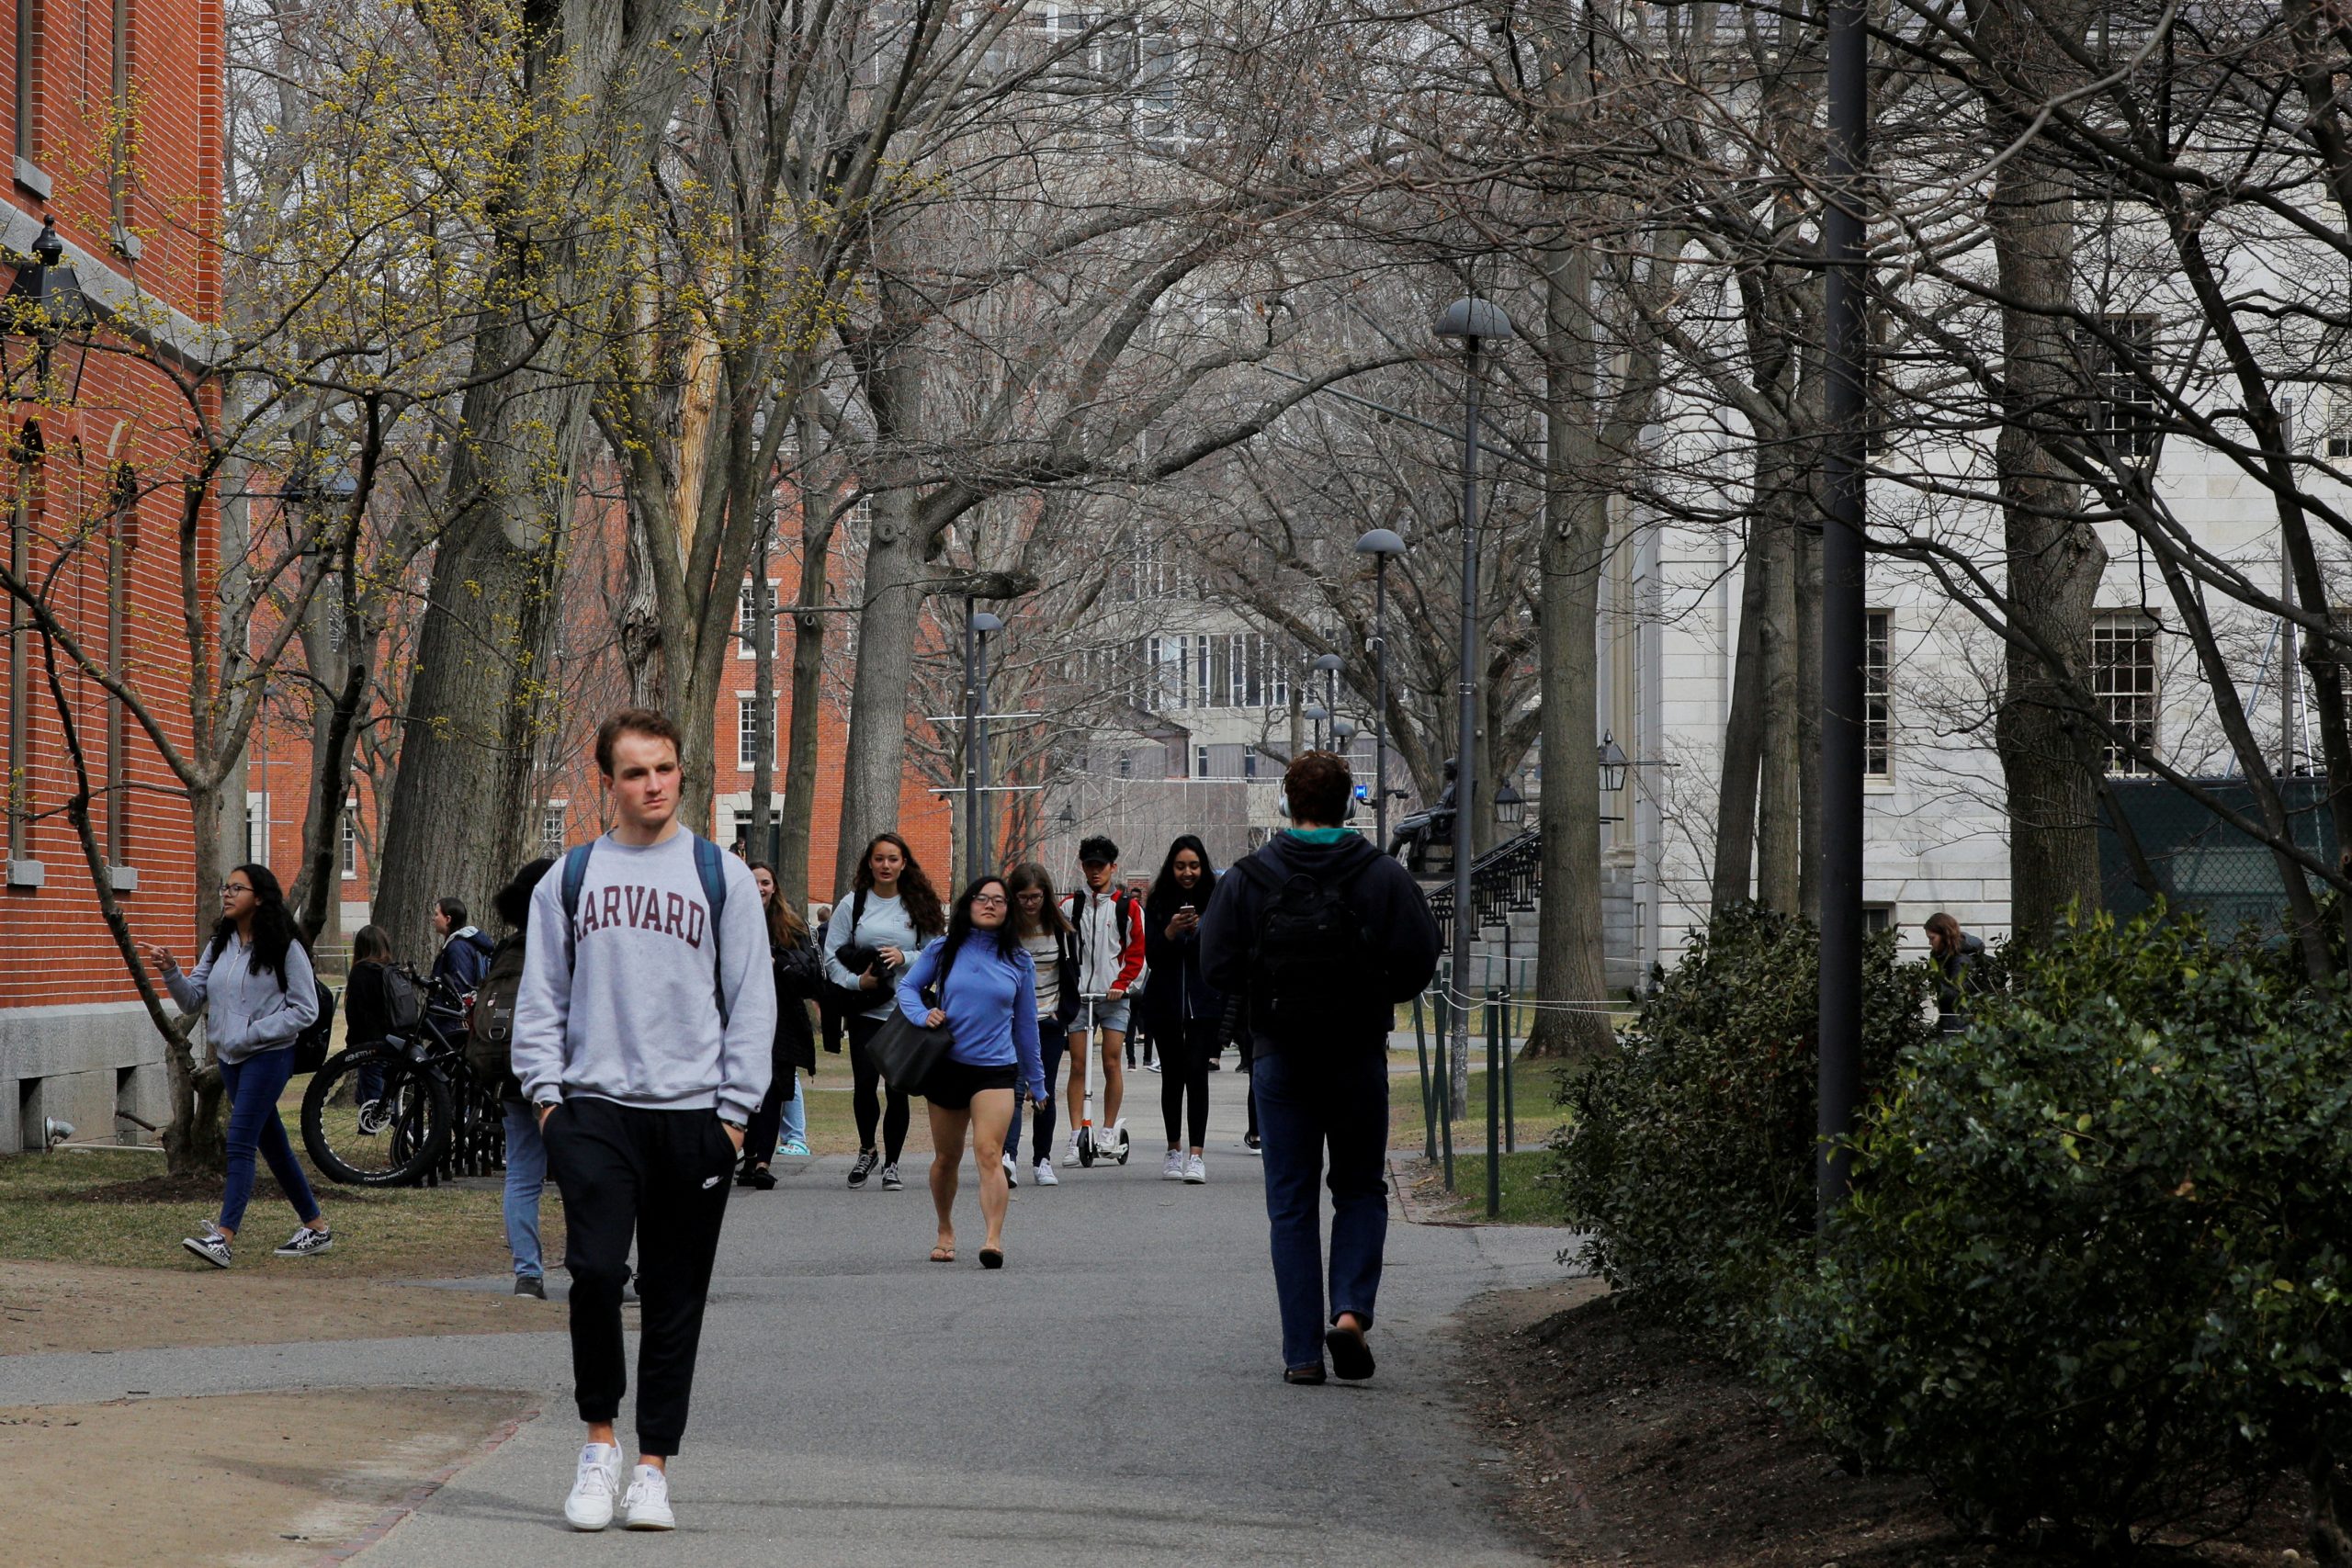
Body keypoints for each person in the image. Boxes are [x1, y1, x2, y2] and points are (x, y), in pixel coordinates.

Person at [513, 707, 775, 1532]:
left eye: (663, 769)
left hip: (695, 1115)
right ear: (610, 781)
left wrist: (734, 1117)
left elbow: (752, 999)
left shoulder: (718, 874)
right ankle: (598, 1444)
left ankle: (653, 1463)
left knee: (673, 1292)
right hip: (593, 1111)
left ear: (680, 775)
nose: (651, 785)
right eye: (634, 772)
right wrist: (548, 1101)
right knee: (593, 1273)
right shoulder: (571, 877)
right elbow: (541, 995)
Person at [1201, 750, 1441, 1386]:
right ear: (1350, 805)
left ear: (1285, 803)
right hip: (1357, 1052)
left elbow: (1216, 964)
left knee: (1291, 1203)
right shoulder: (1382, 874)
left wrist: (1264, 988)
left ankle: (1301, 1352)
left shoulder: (1250, 876)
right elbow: (1420, 957)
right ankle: (1352, 1311)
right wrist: (1370, 988)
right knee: (1360, 1188)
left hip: (1279, 1055)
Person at [140, 864, 334, 1268]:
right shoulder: (221, 944)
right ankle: (316, 1228)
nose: (227, 894)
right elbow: (192, 1000)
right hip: (230, 1058)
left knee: (241, 1140)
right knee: (273, 1146)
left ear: (259, 897)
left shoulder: (284, 947)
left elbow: (306, 1009)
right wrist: (171, 970)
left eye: (236, 888)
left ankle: (223, 1238)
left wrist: (255, 1031)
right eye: (224, 886)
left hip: (269, 1056)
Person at [898, 875, 1048, 1268]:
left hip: (996, 1070)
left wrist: (1037, 1080)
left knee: (989, 1153)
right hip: (946, 1065)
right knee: (946, 1158)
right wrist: (922, 1013)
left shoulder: (1019, 961)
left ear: (1008, 910)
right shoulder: (944, 949)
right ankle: (945, 1229)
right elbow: (908, 988)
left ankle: (992, 1239)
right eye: (981, 898)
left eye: (999, 900)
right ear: (968, 905)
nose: (989, 905)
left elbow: (1026, 1026)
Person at [824, 832, 945, 1190]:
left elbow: (938, 953)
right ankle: (867, 1149)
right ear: (869, 864)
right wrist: (856, 982)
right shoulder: (854, 904)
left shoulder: (918, 904)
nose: (886, 865)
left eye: (893, 859)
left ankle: (892, 1163)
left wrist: (904, 956)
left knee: (897, 1088)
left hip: (906, 1011)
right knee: (864, 1085)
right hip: (865, 1010)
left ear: (904, 863)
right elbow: (830, 955)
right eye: (879, 859)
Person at [471, 857, 558, 1297]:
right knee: (588, 1176)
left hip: (511, 1074)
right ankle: (605, 1268)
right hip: (564, 1077)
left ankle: (528, 1273)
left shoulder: (508, 948)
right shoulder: (570, 943)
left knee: (522, 1175)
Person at [1143, 835, 1225, 1185]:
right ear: (1170, 868)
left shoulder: (1217, 899)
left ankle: (1197, 1155)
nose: (1188, 872)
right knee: (1173, 1074)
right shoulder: (1158, 900)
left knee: (1197, 1071)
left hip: (1204, 1000)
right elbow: (1152, 956)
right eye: (1180, 866)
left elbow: (1223, 948)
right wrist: (1172, 931)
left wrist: (1200, 933)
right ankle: (1173, 1148)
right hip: (1165, 1000)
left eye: (1194, 865)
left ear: (1203, 866)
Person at [1060, 835, 1144, 1165]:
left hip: (1113, 995)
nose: (1095, 872)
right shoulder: (1070, 906)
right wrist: (1069, 985)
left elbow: (1137, 954)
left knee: (1111, 1060)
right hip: (1080, 996)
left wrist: (1123, 985)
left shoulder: (1127, 907)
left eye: (1101, 866)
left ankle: (1108, 1129)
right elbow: (1063, 951)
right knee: (1078, 1064)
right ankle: (1075, 1133)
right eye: (1090, 865)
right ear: (1083, 867)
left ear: (1113, 867)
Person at [741, 863, 821, 1185]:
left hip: (781, 1019)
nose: (759, 888)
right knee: (747, 1089)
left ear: (774, 887)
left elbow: (810, 973)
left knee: (774, 1090)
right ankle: (747, 1158)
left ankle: (762, 1162)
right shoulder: (729, 920)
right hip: (740, 1018)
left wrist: (778, 961)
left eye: (765, 882)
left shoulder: (790, 925)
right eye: (753, 882)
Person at [1003, 862, 1078, 1188]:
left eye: (1035, 896)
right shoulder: (1005, 930)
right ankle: (1009, 1157)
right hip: (1012, 1022)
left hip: (1049, 1019)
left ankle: (1042, 1159)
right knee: (1015, 1091)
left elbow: (1072, 972)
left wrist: (1064, 1013)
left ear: (1045, 895)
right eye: (1023, 897)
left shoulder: (1061, 930)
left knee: (1043, 1092)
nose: (1030, 903)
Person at [342, 923, 398, 1119]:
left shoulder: (361, 972)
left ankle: (406, 1133)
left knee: (375, 1098)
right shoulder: (391, 971)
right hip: (395, 1040)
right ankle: (367, 1129)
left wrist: (352, 1042)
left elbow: (355, 1012)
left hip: (371, 1041)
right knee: (377, 1090)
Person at [1925, 911, 1984, 1033]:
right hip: (1950, 1022)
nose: (1930, 943)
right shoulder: (1941, 957)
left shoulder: (1961, 958)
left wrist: (1937, 979)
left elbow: (1957, 994)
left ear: (1945, 935)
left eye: (1932, 938)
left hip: (1961, 1026)